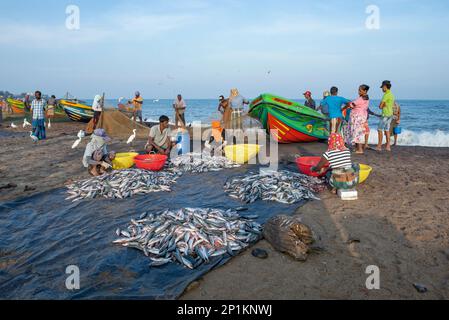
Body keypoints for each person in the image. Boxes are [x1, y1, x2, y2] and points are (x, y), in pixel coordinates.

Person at [346, 85, 370, 154]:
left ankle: (360, 149)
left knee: (357, 133)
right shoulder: (366, 98)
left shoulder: (360, 99)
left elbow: (352, 105)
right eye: (359, 90)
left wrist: (348, 104)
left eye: (360, 90)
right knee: (357, 132)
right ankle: (357, 148)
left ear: (365, 91)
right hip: (362, 117)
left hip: (357, 117)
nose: (358, 91)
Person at [377, 80, 395, 152]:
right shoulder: (392, 94)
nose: (382, 89)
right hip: (390, 114)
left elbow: (380, 106)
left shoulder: (386, 95)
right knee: (387, 130)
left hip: (385, 114)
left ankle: (379, 146)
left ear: (385, 87)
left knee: (379, 129)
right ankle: (388, 146)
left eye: (382, 87)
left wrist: (382, 105)